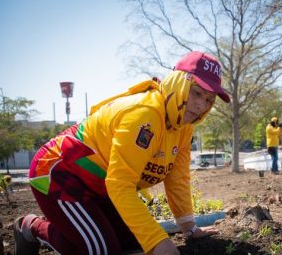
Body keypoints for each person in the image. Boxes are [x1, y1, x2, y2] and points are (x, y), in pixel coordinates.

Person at [14, 51, 230, 255]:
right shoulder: (144, 115)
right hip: (59, 173)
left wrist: (189, 228)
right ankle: (31, 226)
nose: (201, 105)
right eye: (197, 93)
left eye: (209, 99)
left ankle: (72, 224)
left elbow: (177, 178)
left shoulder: (184, 126)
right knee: (99, 250)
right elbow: (120, 184)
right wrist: (156, 241)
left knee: (133, 243)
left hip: (100, 186)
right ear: (179, 84)